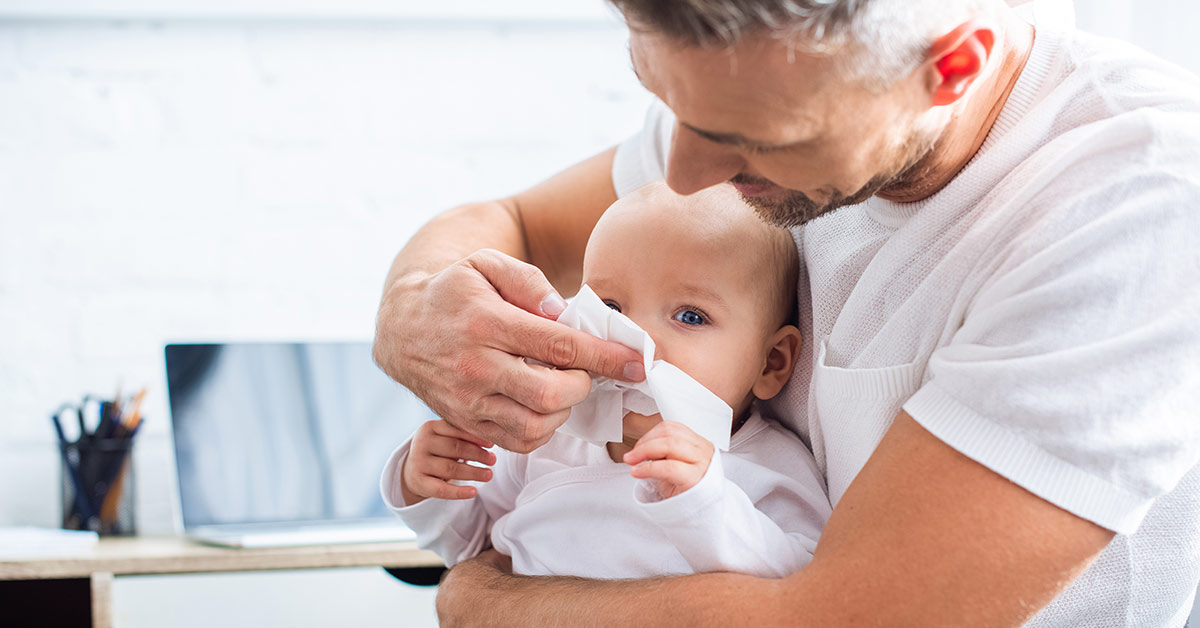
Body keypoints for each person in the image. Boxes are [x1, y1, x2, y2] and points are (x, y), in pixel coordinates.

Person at [372, 0, 1200, 625]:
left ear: (949, 69)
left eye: (759, 140)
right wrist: (412, 310)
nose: (689, 172)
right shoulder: (754, 90)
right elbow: (512, 221)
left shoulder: (1139, 206)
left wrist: (483, 602)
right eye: (668, 102)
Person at [380, 182, 831, 579]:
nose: (634, 339)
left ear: (770, 363)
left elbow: (803, 583)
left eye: (690, 316)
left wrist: (705, 504)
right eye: (610, 309)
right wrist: (425, 487)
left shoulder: (769, 467)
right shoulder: (547, 435)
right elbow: (470, 548)